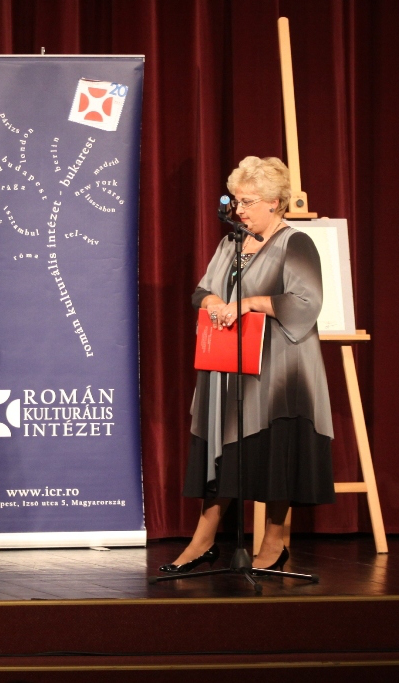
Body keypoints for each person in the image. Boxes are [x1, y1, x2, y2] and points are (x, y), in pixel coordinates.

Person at [161, 156, 334, 574]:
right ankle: (203, 541)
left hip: (280, 370)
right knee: (223, 451)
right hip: (229, 365)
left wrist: (249, 303)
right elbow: (202, 291)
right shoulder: (230, 244)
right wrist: (214, 302)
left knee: (275, 452)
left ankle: (273, 544)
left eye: (248, 201)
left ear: (275, 202)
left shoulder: (295, 243)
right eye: (236, 200)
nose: (239, 209)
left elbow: (306, 302)